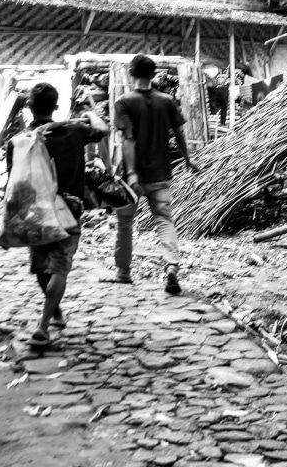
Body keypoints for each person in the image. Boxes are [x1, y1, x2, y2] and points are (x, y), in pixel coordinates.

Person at [10, 83, 107, 348]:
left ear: (29, 107)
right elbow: (102, 130)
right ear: (56, 106)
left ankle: (51, 315)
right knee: (59, 267)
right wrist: (89, 111)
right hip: (69, 212)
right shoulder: (73, 131)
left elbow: (12, 184)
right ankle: (45, 322)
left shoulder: (19, 142)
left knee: (42, 267)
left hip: (35, 213)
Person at [114, 54, 200, 293]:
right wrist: (188, 160)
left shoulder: (123, 102)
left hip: (132, 177)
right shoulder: (167, 101)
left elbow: (128, 140)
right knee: (164, 220)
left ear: (131, 73)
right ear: (153, 76)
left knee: (125, 223)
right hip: (161, 173)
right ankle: (171, 265)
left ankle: (123, 272)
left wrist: (130, 173)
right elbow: (179, 134)